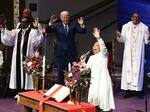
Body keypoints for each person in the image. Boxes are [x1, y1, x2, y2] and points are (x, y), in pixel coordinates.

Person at [0, 17, 44, 91]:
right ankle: (18, 90)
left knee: (27, 74)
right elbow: (7, 39)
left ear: (28, 24)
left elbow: (37, 42)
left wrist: (37, 30)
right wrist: (3, 28)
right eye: (22, 22)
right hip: (17, 58)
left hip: (28, 57)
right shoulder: (16, 32)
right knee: (18, 74)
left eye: (24, 22)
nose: (22, 24)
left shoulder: (33, 32)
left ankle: (27, 90)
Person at [46, 10, 86, 85]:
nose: (65, 19)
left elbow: (82, 31)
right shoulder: (57, 25)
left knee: (72, 72)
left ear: (69, 17)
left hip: (71, 53)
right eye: (63, 17)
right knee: (60, 74)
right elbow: (48, 30)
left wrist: (82, 25)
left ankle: (71, 91)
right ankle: (60, 92)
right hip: (60, 53)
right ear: (61, 18)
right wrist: (50, 23)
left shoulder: (73, 25)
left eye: (66, 17)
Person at [80, 27, 115, 111]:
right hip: (94, 81)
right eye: (94, 46)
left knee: (103, 100)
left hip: (103, 80)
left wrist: (98, 38)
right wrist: (83, 62)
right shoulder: (91, 57)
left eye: (97, 46)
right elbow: (86, 69)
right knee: (94, 102)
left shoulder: (104, 55)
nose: (94, 47)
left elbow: (103, 47)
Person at [116, 12, 150, 98]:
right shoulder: (125, 26)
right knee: (128, 71)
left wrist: (149, 37)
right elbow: (121, 40)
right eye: (134, 17)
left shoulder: (144, 27)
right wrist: (119, 36)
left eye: (137, 17)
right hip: (128, 54)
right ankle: (128, 91)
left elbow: (146, 42)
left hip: (138, 54)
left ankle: (138, 91)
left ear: (139, 18)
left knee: (137, 72)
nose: (135, 18)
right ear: (131, 17)